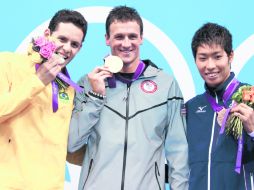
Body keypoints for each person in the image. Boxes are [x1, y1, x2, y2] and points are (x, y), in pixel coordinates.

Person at [68, 5, 189, 190]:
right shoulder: (87, 83)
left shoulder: (166, 85)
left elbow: (178, 151)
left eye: (132, 36)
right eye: (118, 36)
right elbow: (71, 144)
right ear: (107, 39)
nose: (126, 44)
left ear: (141, 38)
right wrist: (95, 97)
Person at [0, 9, 87, 189]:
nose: (67, 48)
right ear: (47, 34)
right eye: (62, 39)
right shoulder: (8, 63)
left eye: (74, 44)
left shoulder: (70, 89)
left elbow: (67, 148)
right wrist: (38, 81)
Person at [186, 22, 254, 190]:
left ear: (230, 56)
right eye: (203, 58)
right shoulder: (190, 108)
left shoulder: (251, 97)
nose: (210, 66)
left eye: (217, 56)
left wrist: (252, 131)